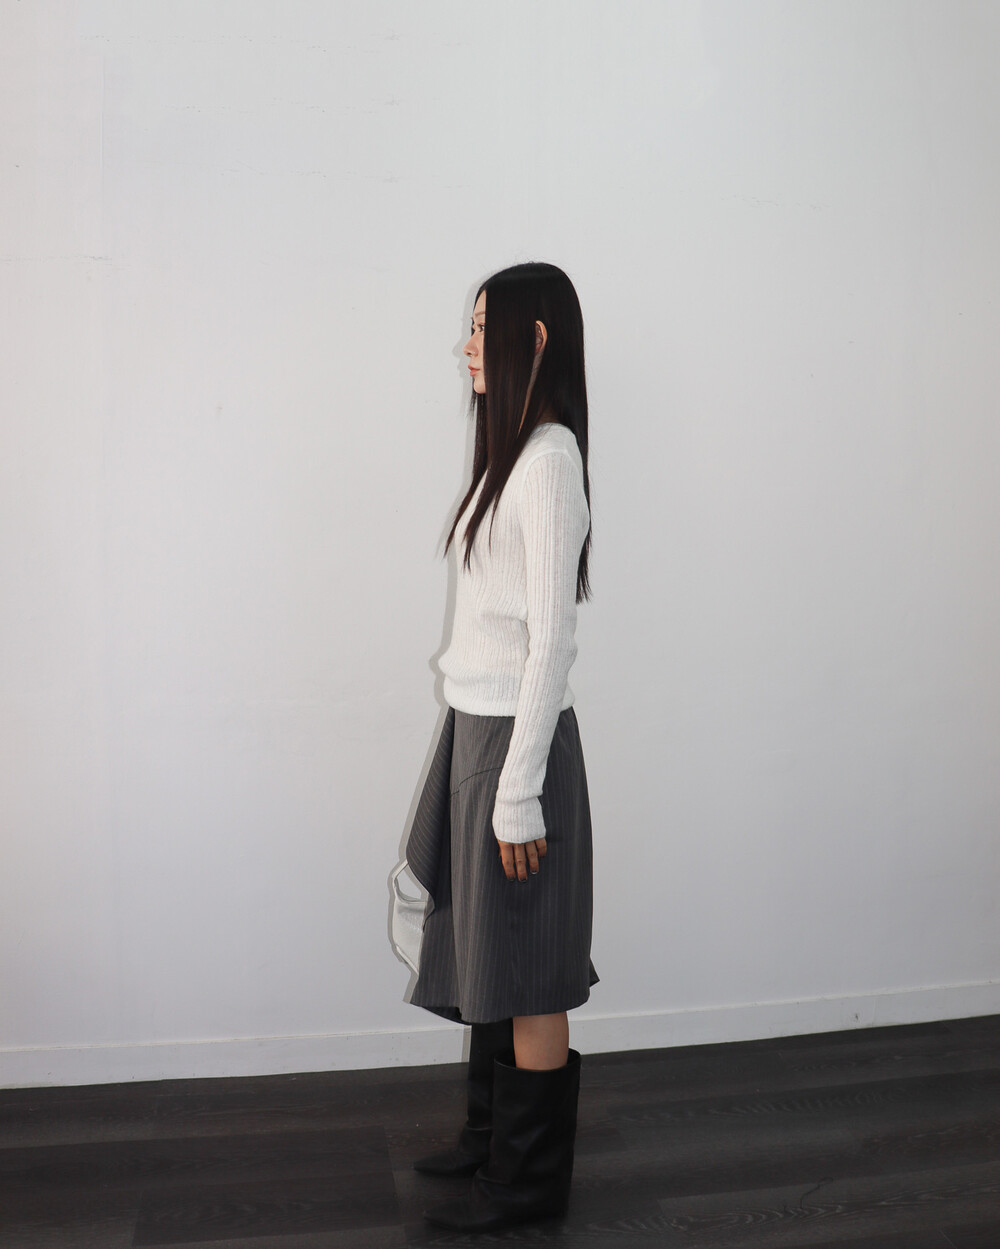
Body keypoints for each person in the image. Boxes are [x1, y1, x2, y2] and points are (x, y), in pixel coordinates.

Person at [401, 261, 598, 1233]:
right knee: (490, 947)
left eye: (482, 328)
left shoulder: (549, 460)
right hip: (476, 727)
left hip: (518, 748)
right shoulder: (511, 458)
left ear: (537, 338)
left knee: (528, 966)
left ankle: (526, 1187)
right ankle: (490, 1138)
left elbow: (552, 642)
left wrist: (518, 794)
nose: (467, 346)